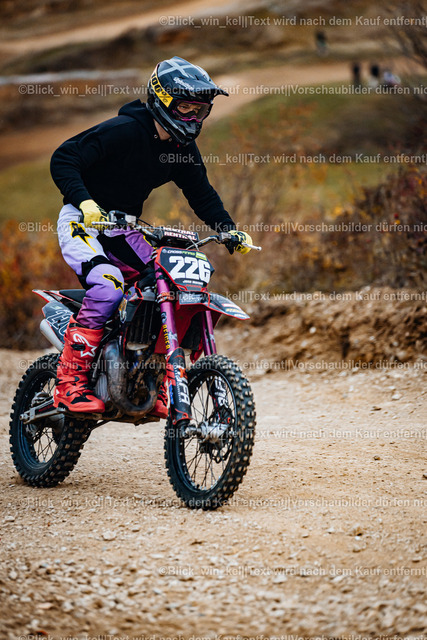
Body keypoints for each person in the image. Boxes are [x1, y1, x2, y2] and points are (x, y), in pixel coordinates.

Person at [50, 56, 252, 416]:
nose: (193, 117)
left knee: (169, 284)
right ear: (162, 99)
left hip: (123, 229)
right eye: (185, 107)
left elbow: (201, 194)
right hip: (83, 221)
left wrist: (227, 228)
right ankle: (70, 382)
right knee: (108, 287)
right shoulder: (125, 131)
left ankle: (151, 377)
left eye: (200, 111)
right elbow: (65, 158)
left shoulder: (181, 150)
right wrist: (85, 202)